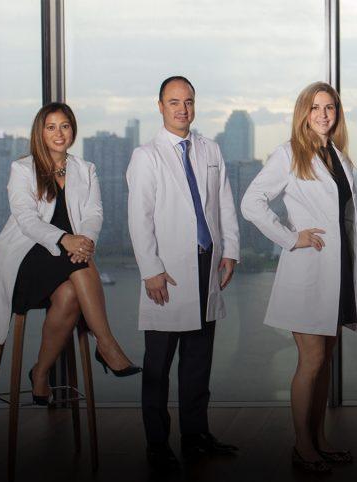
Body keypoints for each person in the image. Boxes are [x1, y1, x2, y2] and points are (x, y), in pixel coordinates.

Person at [0, 102, 141, 405]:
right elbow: (27, 220)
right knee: (80, 265)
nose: (59, 133)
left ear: (73, 130)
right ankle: (106, 344)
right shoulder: (22, 169)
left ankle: (40, 373)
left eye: (64, 126)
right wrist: (66, 239)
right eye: (51, 127)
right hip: (26, 259)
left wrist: (85, 241)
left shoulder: (86, 169)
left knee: (69, 295)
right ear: (40, 133)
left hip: (69, 257)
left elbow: (94, 214)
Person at [241, 82, 357, 474]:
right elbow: (251, 203)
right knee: (311, 360)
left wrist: (354, 263)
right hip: (309, 269)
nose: (324, 115)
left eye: (330, 107)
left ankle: (320, 440)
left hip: (338, 270)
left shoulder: (339, 157)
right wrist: (291, 237)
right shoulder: (288, 154)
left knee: (325, 361)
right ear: (303, 113)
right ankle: (303, 446)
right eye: (315, 108)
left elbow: (345, 218)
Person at [127, 76, 241, 472]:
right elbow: (139, 218)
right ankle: (157, 444)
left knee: (198, 362)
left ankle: (196, 437)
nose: (182, 109)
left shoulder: (210, 149)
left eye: (188, 101)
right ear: (160, 106)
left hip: (207, 262)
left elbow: (224, 203)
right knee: (158, 367)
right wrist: (151, 270)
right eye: (174, 102)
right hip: (168, 270)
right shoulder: (147, 156)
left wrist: (231, 251)